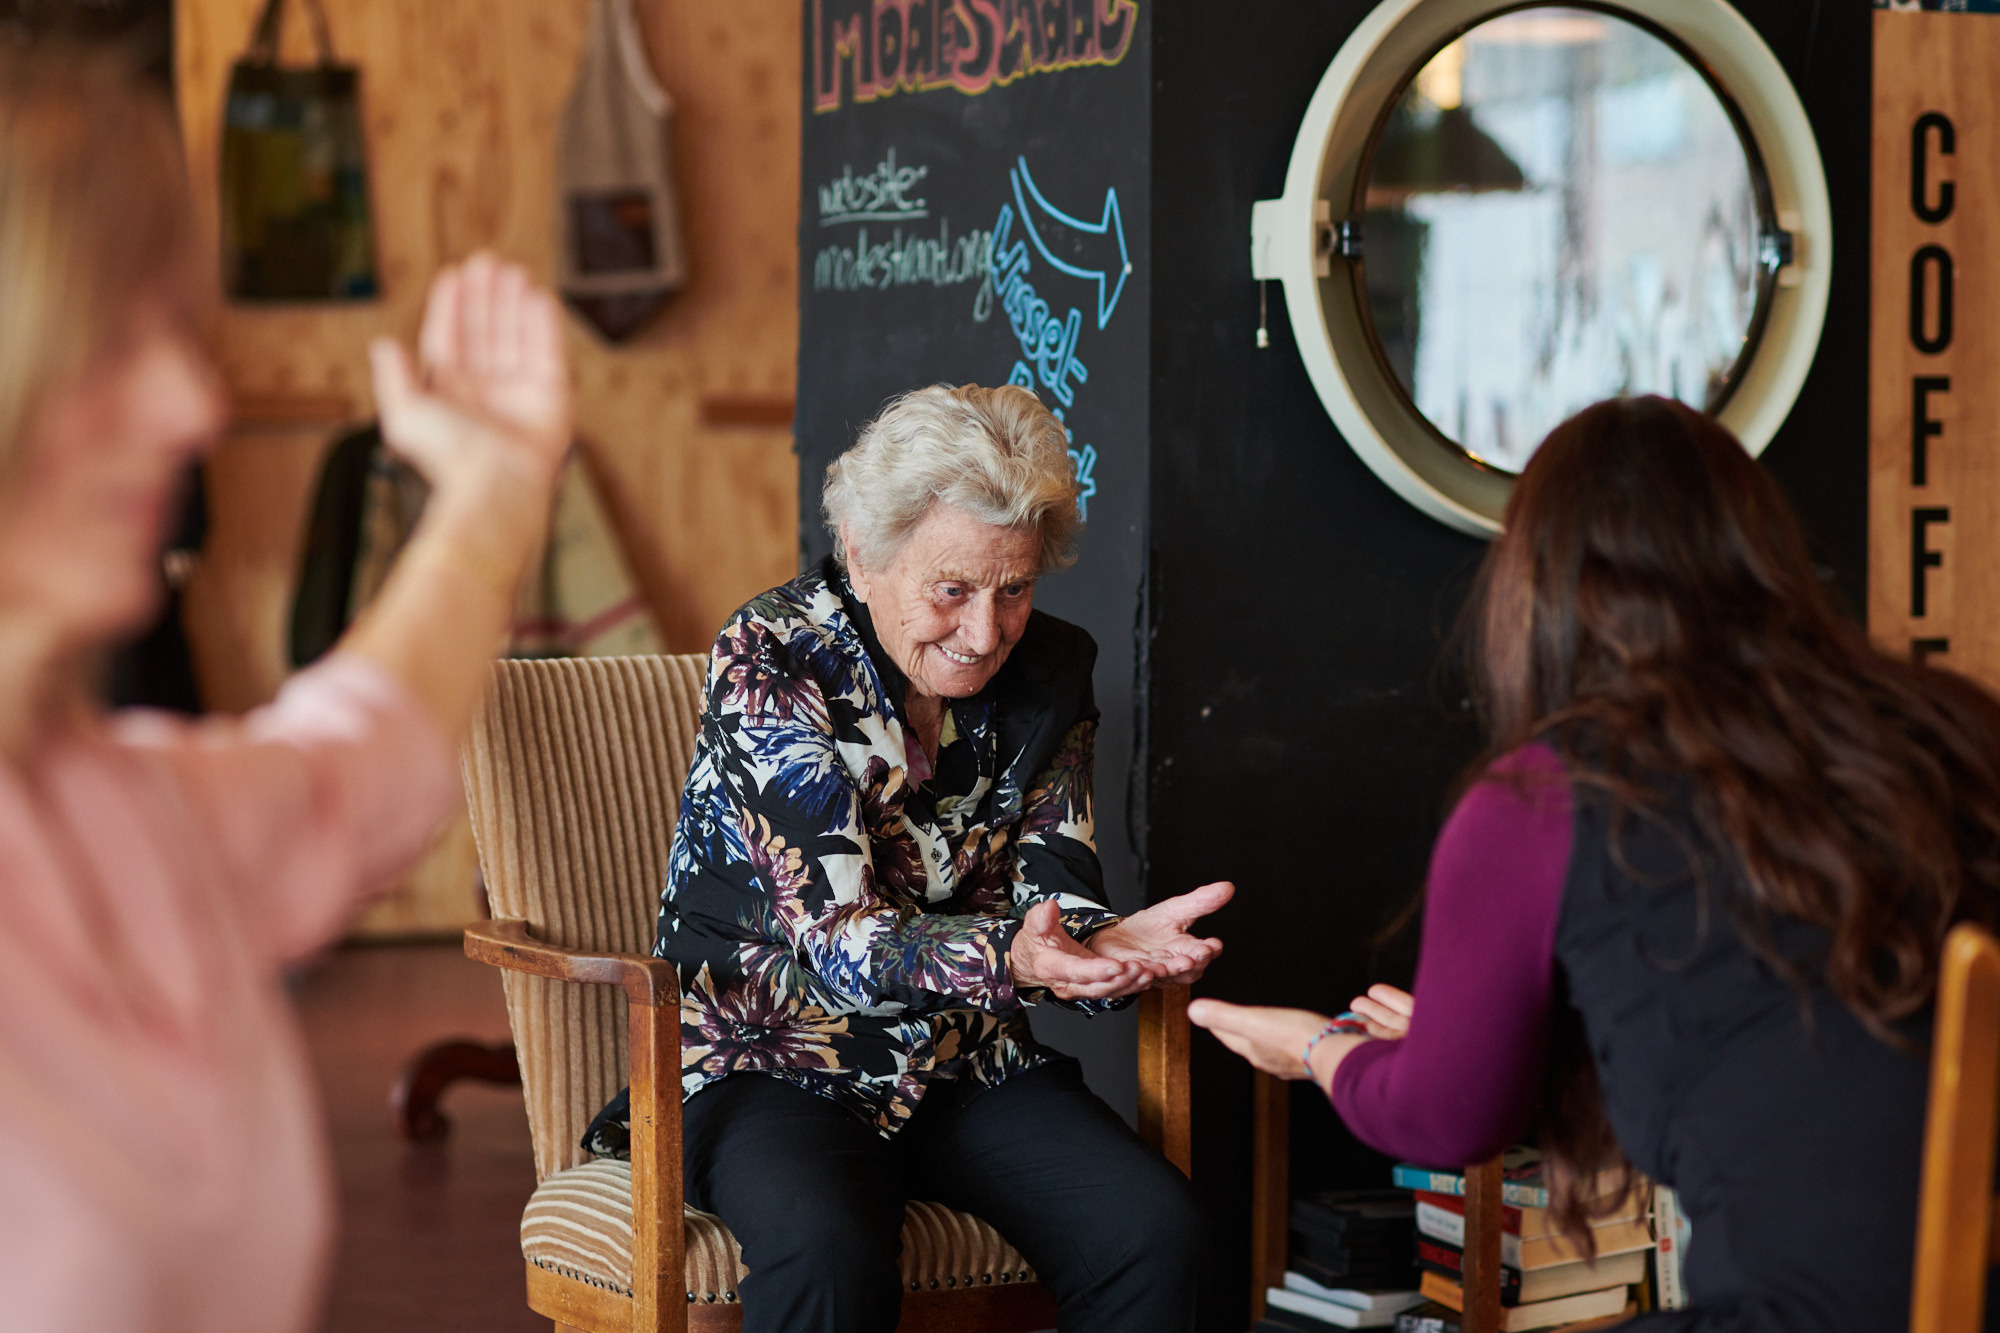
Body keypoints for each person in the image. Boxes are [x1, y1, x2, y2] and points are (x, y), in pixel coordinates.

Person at [1191, 396, 2000, 1332]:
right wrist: (1474, 1042)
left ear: (1535, 588)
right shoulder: (1952, 726)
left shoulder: (1541, 797)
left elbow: (1445, 1119)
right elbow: (1781, 1051)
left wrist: (1316, 1049)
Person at [0, 51, 572, 1332]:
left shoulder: (128, 809)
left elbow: (355, 752)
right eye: (112, 342)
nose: (196, 404)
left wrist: (488, 497)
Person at [587, 383, 1225, 1332]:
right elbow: (839, 941)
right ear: (862, 554)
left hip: (963, 1060)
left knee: (1159, 1234)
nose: (984, 633)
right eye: (952, 589)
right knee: (829, 1259)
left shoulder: (1051, 669)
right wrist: (1014, 956)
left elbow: (1054, 884)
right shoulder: (772, 658)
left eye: (1014, 589)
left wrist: (1104, 943)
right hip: (773, 1057)